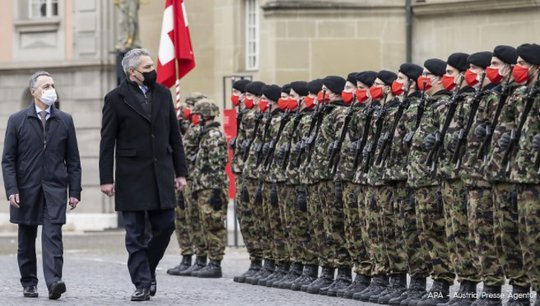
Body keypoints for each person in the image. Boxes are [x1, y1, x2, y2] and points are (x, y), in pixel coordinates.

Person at [99, 48, 187, 301]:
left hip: (161, 172)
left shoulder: (163, 93)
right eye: (147, 68)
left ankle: (146, 268)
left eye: (152, 67)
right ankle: (141, 282)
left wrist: (181, 172)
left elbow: (174, 136)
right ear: (132, 72)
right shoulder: (115, 98)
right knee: (135, 233)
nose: (152, 71)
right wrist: (106, 178)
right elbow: (107, 141)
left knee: (166, 225)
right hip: (131, 175)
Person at [2, 71, 82, 300]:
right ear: (33, 92)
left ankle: (54, 282)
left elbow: (73, 160)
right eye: (46, 86)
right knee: (26, 238)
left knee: (53, 235)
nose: (50, 89)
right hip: (25, 190)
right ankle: (29, 282)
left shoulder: (65, 120)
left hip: (55, 189)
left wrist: (74, 191)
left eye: (52, 85)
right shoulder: (17, 120)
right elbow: (8, 159)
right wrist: (12, 189)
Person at [189, 99, 229, 278]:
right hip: (203, 185)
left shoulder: (213, 136)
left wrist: (216, 191)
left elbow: (216, 164)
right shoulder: (205, 134)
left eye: (197, 115)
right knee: (205, 223)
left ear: (203, 116)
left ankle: (215, 262)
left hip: (211, 186)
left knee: (214, 224)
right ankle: (208, 260)